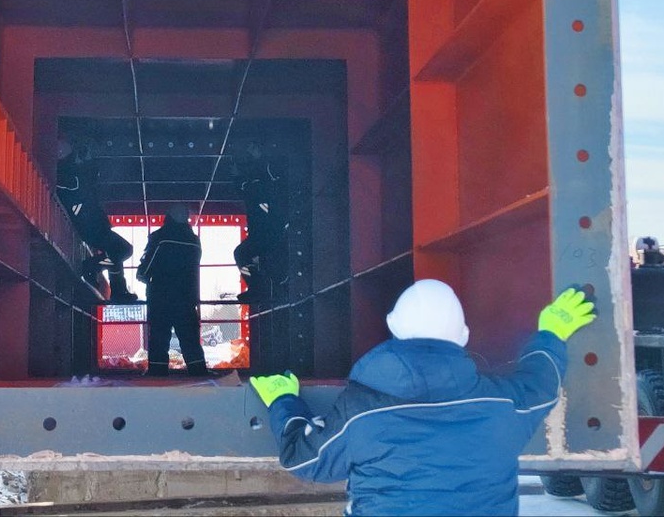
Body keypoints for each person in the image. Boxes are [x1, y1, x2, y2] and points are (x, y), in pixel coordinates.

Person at [249, 281, 596, 516]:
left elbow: (305, 460)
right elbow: (541, 384)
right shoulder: (502, 406)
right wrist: (552, 333)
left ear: (393, 326)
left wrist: (284, 401)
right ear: (463, 336)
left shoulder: (360, 413)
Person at [55, 138, 137, 303]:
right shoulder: (67, 173)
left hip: (91, 222)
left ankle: (118, 290)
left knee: (116, 253)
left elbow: (86, 186)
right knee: (123, 250)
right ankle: (93, 267)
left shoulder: (69, 172)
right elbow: (81, 187)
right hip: (89, 223)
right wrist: (86, 164)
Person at [136, 204, 208, 377]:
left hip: (161, 295)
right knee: (189, 337)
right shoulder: (194, 240)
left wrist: (143, 275)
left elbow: (146, 268)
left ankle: (157, 372)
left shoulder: (160, 237)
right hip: (187, 296)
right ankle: (198, 371)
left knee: (159, 336)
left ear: (168, 217)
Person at [230, 142, 289, 304]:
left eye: (253, 148)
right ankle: (264, 288)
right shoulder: (257, 176)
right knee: (246, 255)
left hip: (267, 230)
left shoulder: (267, 170)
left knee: (242, 254)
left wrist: (239, 177)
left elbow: (250, 190)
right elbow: (246, 190)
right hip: (266, 229)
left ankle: (260, 288)